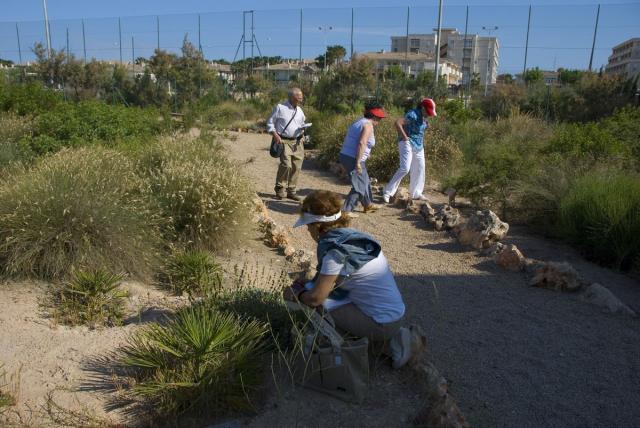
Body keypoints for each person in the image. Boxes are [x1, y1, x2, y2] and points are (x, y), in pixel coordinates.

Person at [283, 190, 414, 369]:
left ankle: (387, 345)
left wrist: (297, 294)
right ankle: (390, 338)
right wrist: (309, 285)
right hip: (393, 314)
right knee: (318, 292)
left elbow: (316, 298)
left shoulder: (335, 254)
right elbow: (340, 281)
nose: (307, 230)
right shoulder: (352, 238)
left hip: (381, 323)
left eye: (309, 225)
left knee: (314, 305)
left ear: (318, 225)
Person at [382, 98, 437, 203]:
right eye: (428, 112)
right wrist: (405, 137)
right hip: (407, 142)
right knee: (405, 168)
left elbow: (419, 127)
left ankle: (416, 193)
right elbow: (397, 123)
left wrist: (426, 126)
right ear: (422, 108)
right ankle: (387, 192)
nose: (429, 115)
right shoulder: (413, 114)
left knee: (420, 168)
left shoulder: (423, 116)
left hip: (419, 146)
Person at [339, 103, 385, 215]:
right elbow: (361, 142)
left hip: (347, 155)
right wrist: (358, 162)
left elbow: (356, 141)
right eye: (379, 118)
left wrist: (365, 154)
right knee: (359, 186)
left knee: (365, 181)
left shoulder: (359, 121)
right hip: (354, 158)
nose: (379, 121)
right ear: (374, 117)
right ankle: (346, 211)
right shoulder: (368, 125)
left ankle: (368, 204)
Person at [267, 87, 307, 202]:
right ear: (291, 97)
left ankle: (291, 191)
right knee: (286, 165)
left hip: (298, 142)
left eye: (301, 95)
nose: (301, 98)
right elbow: (270, 123)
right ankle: (279, 188)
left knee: (297, 167)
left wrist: (303, 131)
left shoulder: (300, 110)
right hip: (283, 141)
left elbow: (302, 123)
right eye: (298, 96)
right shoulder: (280, 108)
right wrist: (275, 135)